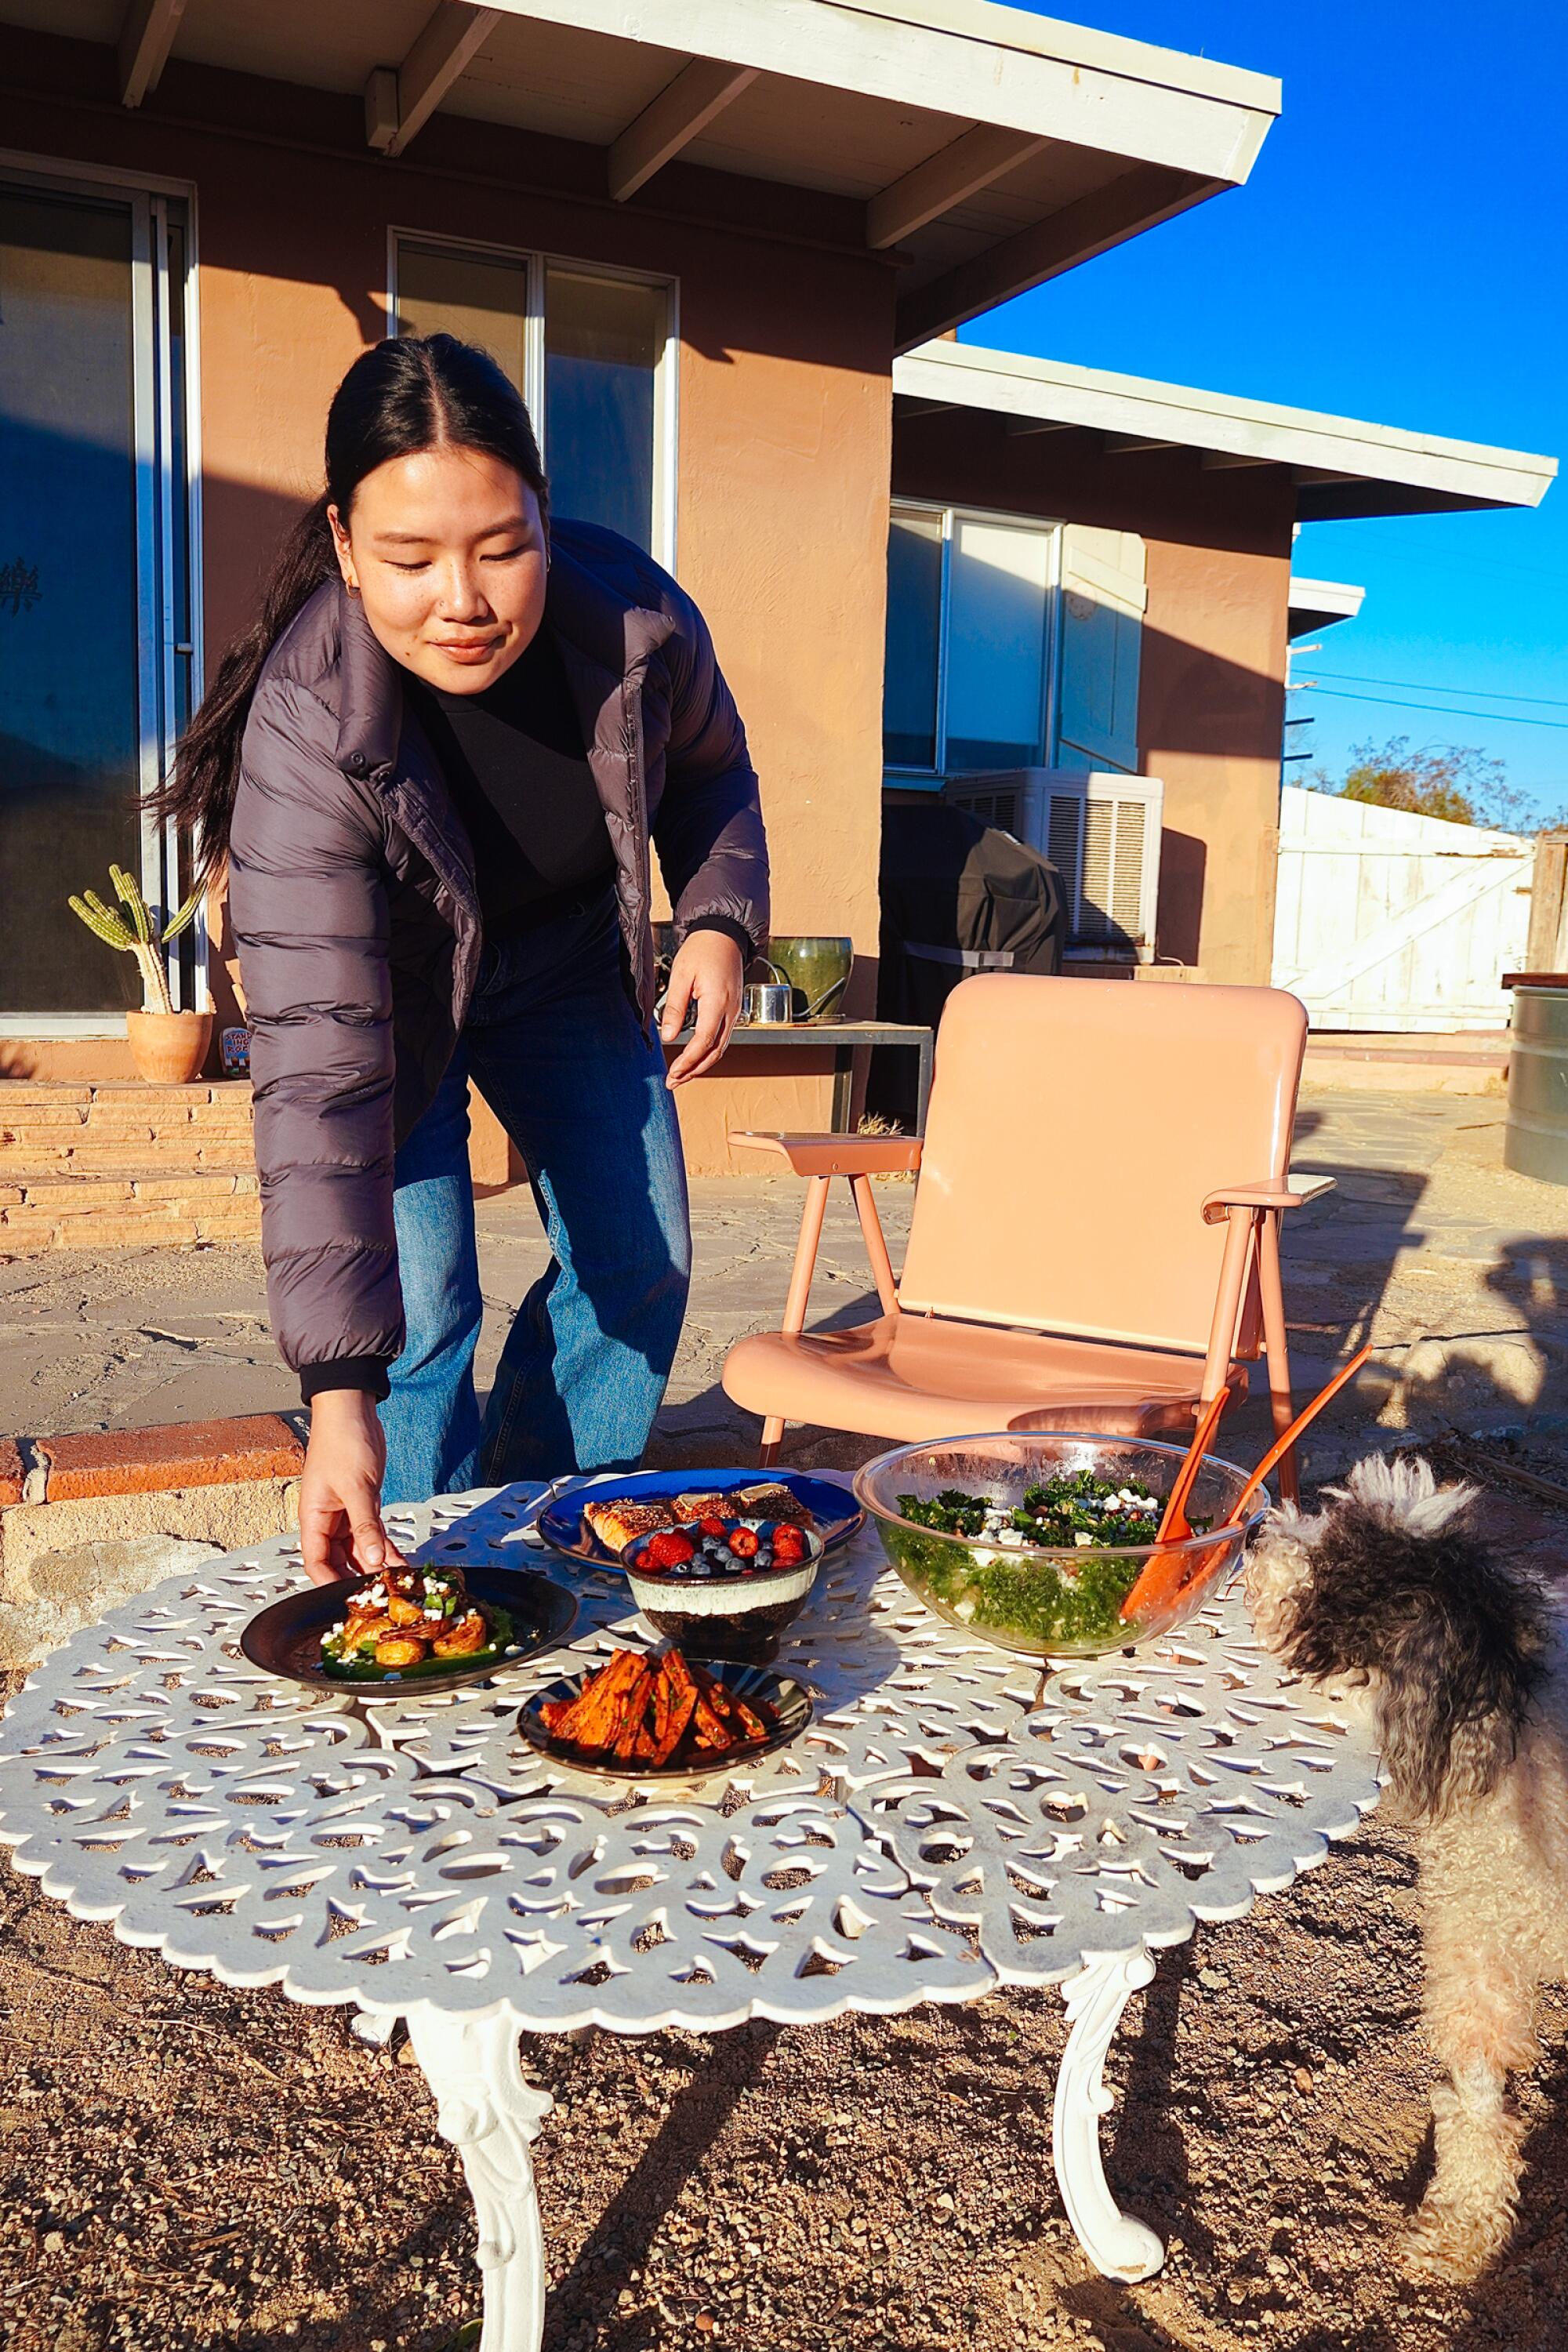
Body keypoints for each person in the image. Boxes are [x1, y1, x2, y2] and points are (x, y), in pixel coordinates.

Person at [163, 334, 768, 1584]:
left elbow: (711, 774)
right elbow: (319, 1083)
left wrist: (716, 917)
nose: (465, 600)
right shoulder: (309, 729)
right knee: (420, 1322)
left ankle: (549, 1529)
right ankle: (422, 1575)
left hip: (560, 974)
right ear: (342, 543)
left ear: (546, 516)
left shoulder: (636, 627)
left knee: (640, 1265)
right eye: (409, 558)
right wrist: (334, 1396)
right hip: (387, 1006)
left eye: (502, 548)